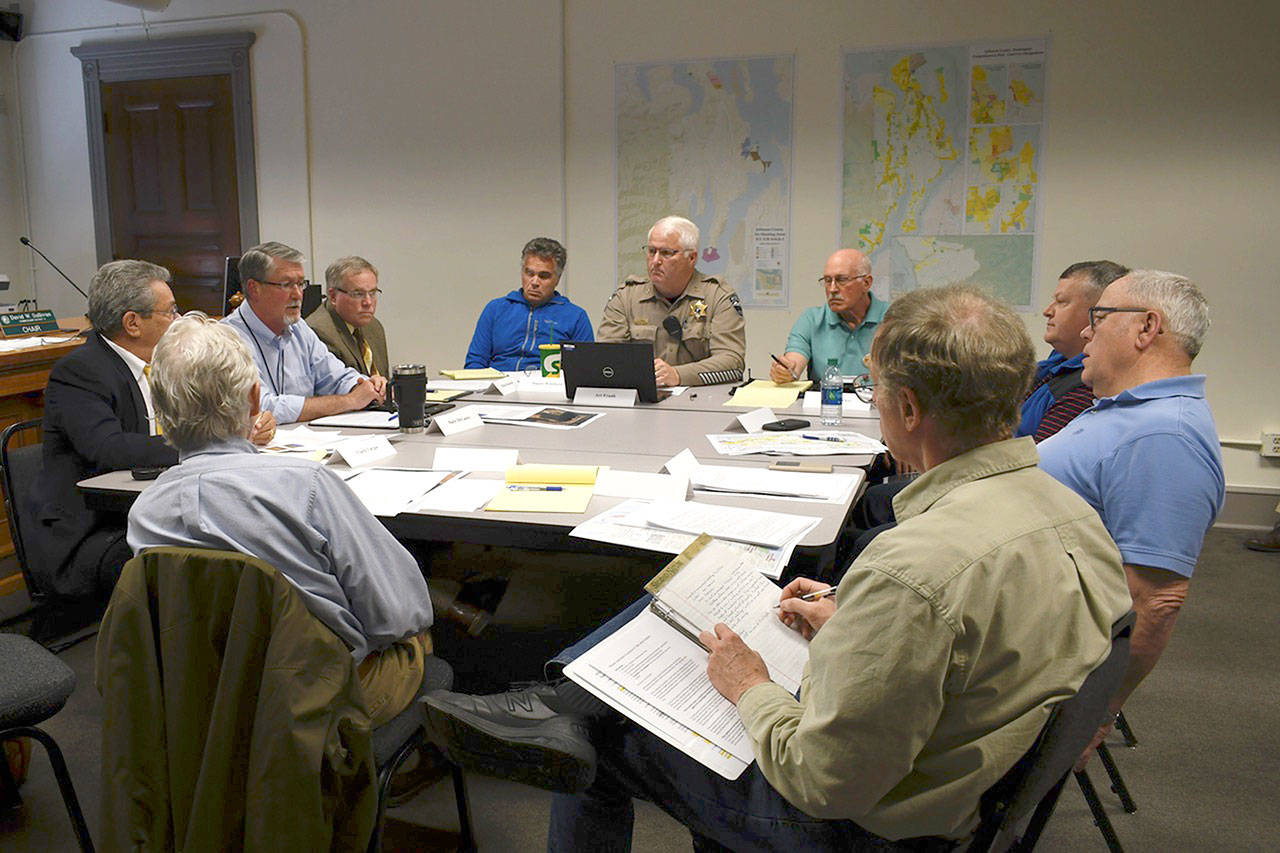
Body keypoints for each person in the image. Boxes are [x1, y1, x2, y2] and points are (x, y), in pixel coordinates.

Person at [424, 285, 1132, 850]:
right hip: (961, 775)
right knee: (687, 604)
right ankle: (560, 701)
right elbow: (972, 640)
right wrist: (853, 622)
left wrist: (752, 686)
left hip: (864, 827)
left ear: (907, 407)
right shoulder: (1074, 517)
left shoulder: (913, 570)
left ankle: (563, 709)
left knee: (604, 740)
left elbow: (820, 782)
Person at [127, 313, 433, 727]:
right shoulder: (308, 487)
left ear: (160, 411)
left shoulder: (145, 515)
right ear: (256, 401)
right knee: (417, 635)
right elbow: (399, 615)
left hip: (208, 703)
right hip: (320, 702)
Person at [1038, 269, 1224, 761]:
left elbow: (1156, 599)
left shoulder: (1164, 437)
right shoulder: (1125, 409)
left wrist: (1095, 715)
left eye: (1099, 318)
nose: (1084, 332)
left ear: (1146, 328)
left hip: (1028, 652)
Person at [28, 260, 273, 599]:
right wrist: (209, 442)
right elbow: (109, 448)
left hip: (152, 507)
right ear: (132, 323)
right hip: (93, 531)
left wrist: (241, 425)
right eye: (171, 312)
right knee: (216, 555)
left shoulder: (163, 364)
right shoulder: (80, 371)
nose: (178, 321)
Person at [223, 241, 386, 424]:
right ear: (254, 288)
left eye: (301, 284)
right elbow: (260, 407)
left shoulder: (298, 328)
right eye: (286, 285)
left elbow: (335, 376)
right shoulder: (226, 340)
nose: (298, 294)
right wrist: (349, 401)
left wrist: (365, 385)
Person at [598, 216, 745, 386]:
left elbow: (732, 362)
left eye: (666, 253)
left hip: (701, 403)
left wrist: (678, 375)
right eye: (652, 251)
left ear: (692, 258)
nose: (655, 261)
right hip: (642, 401)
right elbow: (605, 359)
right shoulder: (626, 297)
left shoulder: (717, 297)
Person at [1020, 260, 1129, 440]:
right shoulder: (1057, 363)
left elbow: (1043, 463)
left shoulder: (1088, 387)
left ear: (1097, 314)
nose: (1048, 311)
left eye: (1061, 302)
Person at [465, 237, 595, 371]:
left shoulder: (576, 317)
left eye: (544, 276)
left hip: (548, 387)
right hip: (498, 386)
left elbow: (585, 370)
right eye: (529, 273)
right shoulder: (496, 309)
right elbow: (475, 362)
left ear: (557, 279)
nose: (534, 282)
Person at [769, 249, 886, 383]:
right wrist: (786, 371)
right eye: (827, 280)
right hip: (827, 401)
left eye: (842, 280)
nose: (832, 289)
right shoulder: (812, 320)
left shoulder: (894, 319)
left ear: (866, 283)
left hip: (878, 402)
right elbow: (794, 361)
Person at [306, 255, 390, 378]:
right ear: (333, 296)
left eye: (372, 293)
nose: (368, 302)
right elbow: (338, 391)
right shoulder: (318, 333)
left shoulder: (374, 326)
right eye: (358, 294)